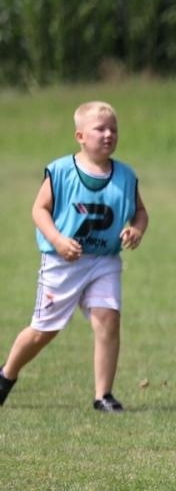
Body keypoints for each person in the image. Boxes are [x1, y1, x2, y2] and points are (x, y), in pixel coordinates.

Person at [0, 101, 148, 411]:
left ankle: (103, 395)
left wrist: (136, 229)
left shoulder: (125, 176)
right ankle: (6, 375)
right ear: (80, 135)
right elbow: (39, 209)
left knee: (108, 319)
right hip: (63, 262)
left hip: (104, 260)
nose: (108, 134)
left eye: (113, 129)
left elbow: (141, 213)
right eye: (100, 129)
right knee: (44, 330)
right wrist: (57, 239)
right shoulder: (62, 171)